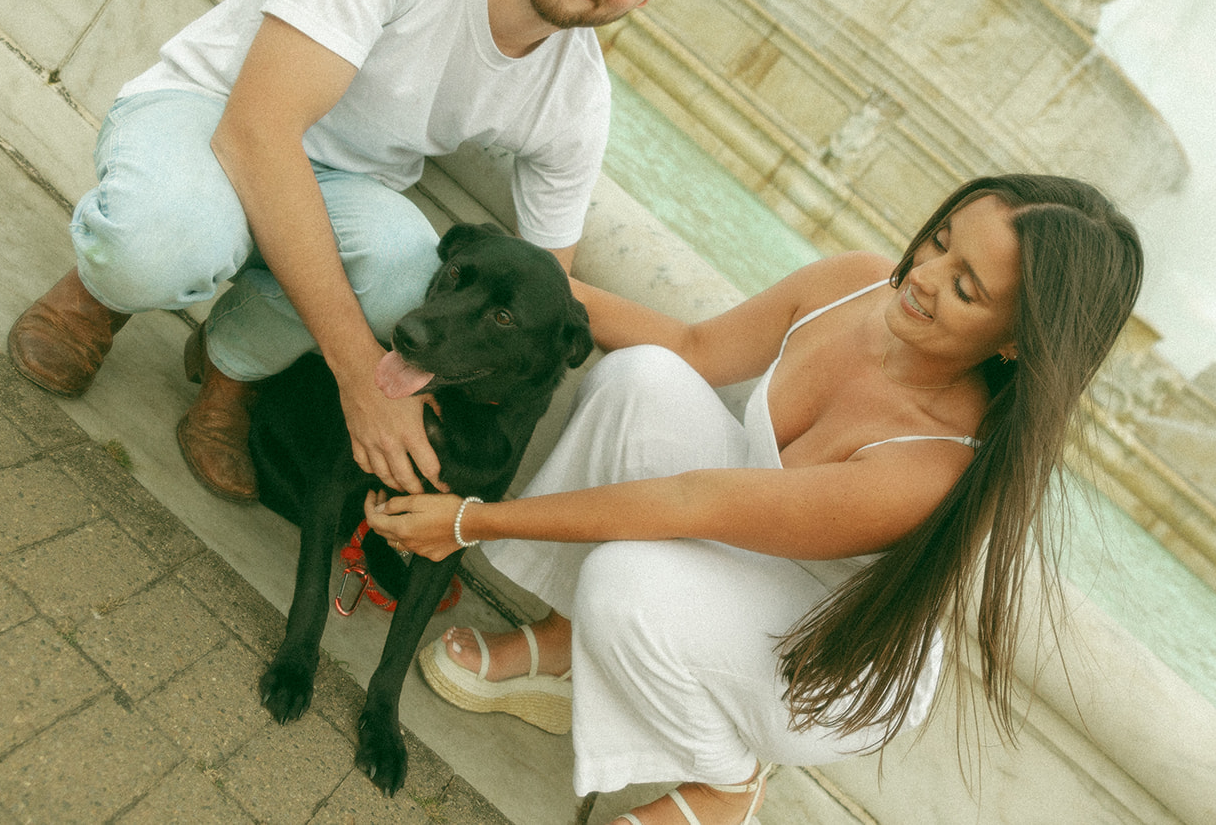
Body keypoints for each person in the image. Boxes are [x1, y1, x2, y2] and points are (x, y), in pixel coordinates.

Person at [365, 173, 1144, 825]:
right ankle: (569, 643)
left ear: (1016, 342)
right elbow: (693, 349)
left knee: (625, 582)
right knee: (641, 377)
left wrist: (469, 520)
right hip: (740, 536)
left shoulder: (933, 463)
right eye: (940, 240)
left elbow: (690, 503)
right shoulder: (856, 282)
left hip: (823, 660)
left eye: (967, 287)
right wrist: (522, 285)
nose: (926, 276)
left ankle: (727, 781)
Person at [5, 0, 711, 502]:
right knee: (157, 245)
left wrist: (469, 501)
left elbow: (543, 288)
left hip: (347, 185)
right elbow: (259, 131)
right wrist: (359, 379)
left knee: (419, 284)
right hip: (218, 110)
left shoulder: (578, 97)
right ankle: (98, 296)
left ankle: (230, 367)